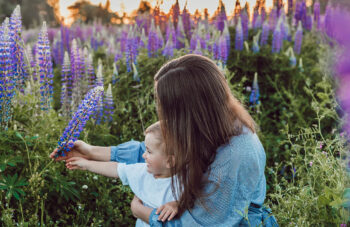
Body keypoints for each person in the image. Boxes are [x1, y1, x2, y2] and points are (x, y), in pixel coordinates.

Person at [51, 54, 278, 226]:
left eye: (166, 107)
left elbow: (196, 225)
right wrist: (90, 151)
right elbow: (159, 151)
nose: (162, 113)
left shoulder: (236, 155)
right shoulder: (211, 126)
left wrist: (143, 212)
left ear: (189, 110)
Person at [51, 122, 179, 226]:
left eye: (149, 152)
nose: (144, 155)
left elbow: (192, 198)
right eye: (145, 149)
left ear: (169, 161)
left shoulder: (185, 181)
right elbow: (116, 169)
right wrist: (86, 163)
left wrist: (177, 204)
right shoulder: (142, 171)